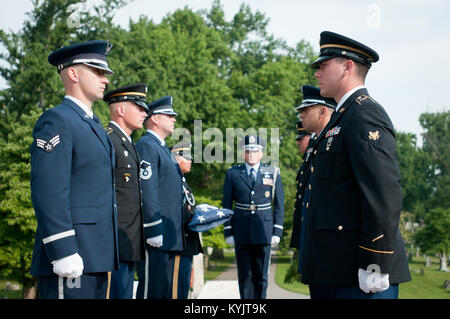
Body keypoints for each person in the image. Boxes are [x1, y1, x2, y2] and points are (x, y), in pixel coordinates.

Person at [300, 31, 411, 299]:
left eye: (323, 66)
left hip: (360, 273)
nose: (317, 74)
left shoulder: (365, 114)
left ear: (347, 67)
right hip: (335, 269)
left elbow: (383, 192)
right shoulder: (343, 117)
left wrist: (376, 260)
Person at [30, 40, 119, 299]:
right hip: (72, 256)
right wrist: (62, 249)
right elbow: (49, 190)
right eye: (98, 71)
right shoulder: (57, 119)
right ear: (73, 73)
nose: (105, 79)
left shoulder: (93, 124)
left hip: (96, 256)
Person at [222, 135, 284, 299]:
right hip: (241, 231)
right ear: (244, 153)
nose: (251, 154)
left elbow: (279, 204)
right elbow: (226, 205)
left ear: (261, 154)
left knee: (261, 276)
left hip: (264, 230)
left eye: (255, 151)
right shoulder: (233, 174)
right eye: (248, 151)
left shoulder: (273, 172)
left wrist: (277, 231)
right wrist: (228, 232)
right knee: (244, 276)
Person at [103, 83, 149, 299]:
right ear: (120, 109)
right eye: (139, 107)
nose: (144, 113)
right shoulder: (108, 139)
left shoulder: (128, 142)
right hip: (113, 243)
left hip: (129, 241)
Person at [135, 96, 184, 299]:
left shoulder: (162, 148)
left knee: (163, 291)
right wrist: (153, 227)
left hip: (169, 235)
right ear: (154, 118)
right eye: (169, 115)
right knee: (152, 291)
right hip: (157, 234)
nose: (174, 119)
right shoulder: (147, 145)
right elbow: (148, 189)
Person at [289, 85, 336, 259]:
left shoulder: (331, 143)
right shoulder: (318, 146)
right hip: (313, 234)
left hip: (327, 239)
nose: (301, 115)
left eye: (306, 110)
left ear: (323, 111)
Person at [170, 142, 203, 299]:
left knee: (183, 288)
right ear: (175, 159)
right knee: (176, 289)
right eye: (186, 158)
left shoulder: (182, 181)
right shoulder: (173, 181)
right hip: (179, 244)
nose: (190, 161)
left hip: (187, 244)